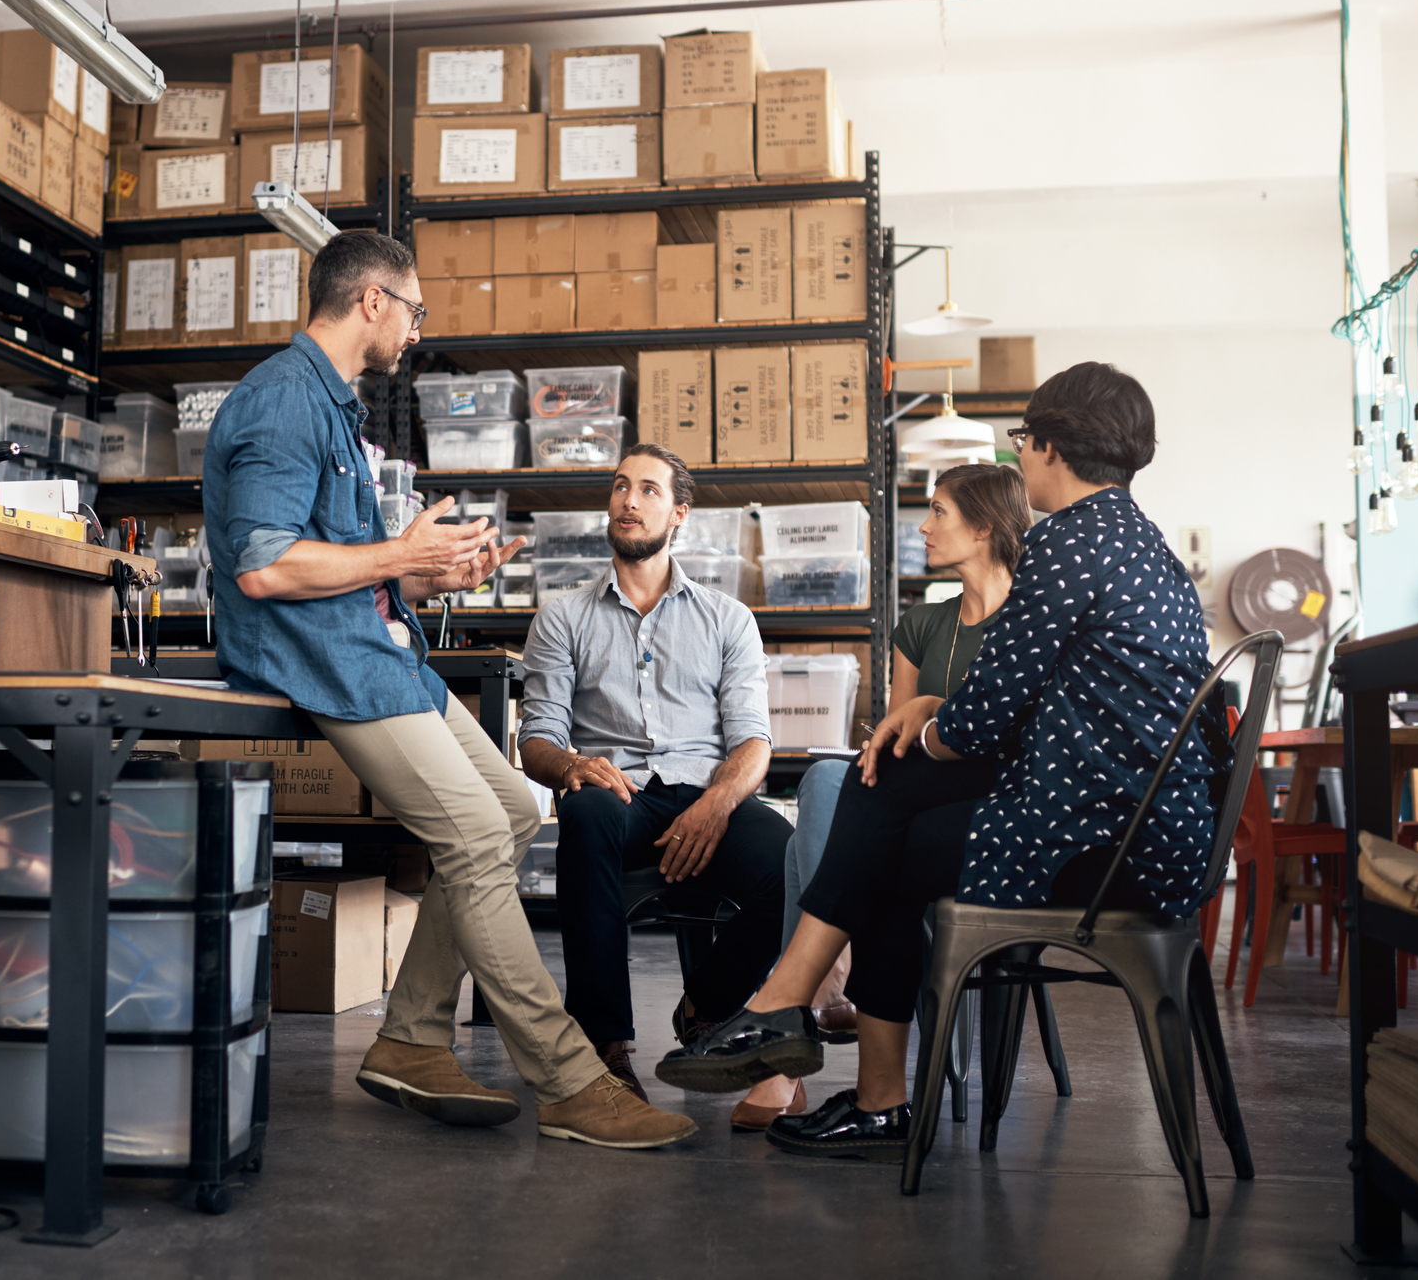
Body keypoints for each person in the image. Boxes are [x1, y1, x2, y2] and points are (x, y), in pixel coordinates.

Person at [202, 231, 696, 1150]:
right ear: (373, 302)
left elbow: (338, 564)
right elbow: (264, 568)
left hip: (373, 649)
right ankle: (569, 1079)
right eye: (416, 311)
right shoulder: (280, 401)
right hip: (323, 661)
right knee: (471, 831)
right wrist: (399, 554)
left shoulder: (332, 405)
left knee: (509, 809)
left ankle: (411, 1040)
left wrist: (429, 576)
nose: (417, 333)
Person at [656, 361, 1222, 1162]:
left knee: (883, 816)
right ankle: (803, 1021)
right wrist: (928, 719)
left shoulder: (1065, 543)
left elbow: (980, 721)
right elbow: (1020, 711)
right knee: (883, 798)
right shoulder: (1143, 545)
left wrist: (922, 723)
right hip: (1144, 829)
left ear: (1051, 447)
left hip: (1102, 844)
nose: (1021, 460)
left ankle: (809, 1027)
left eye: (1024, 441)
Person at [746, 461, 1033, 1124]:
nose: (923, 528)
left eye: (937, 512)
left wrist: (937, 716)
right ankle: (819, 981)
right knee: (834, 777)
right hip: (915, 798)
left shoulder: (1031, 623)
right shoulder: (922, 624)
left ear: (984, 526)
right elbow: (892, 748)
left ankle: (798, 1001)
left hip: (978, 815)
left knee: (839, 803)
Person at [518, 443, 792, 1127]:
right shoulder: (563, 615)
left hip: (709, 792)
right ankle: (603, 1048)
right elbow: (537, 738)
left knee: (789, 862)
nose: (627, 500)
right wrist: (570, 767)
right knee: (582, 816)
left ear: (679, 513)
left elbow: (753, 741)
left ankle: (705, 1003)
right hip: (619, 796)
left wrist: (716, 805)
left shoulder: (727, 618)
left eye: (646, 489)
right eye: (618, 487)